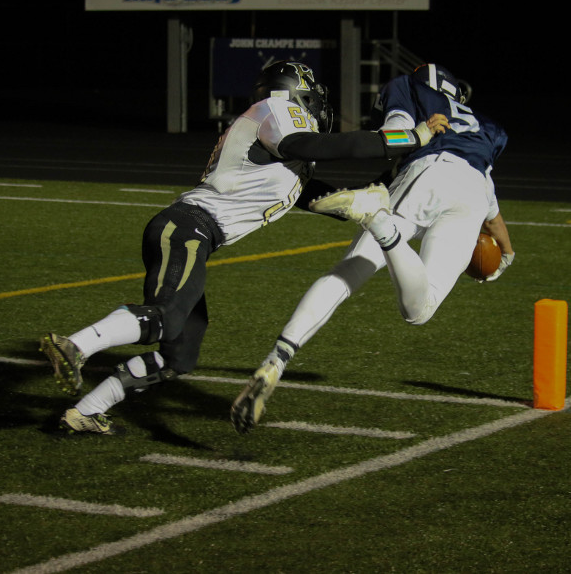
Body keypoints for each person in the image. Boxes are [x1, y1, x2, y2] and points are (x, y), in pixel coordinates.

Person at [39, 60, 448, 435]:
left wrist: (369, 201)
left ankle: (87, 410)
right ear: (298, 91)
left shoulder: (280, 145)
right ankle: (75, 345)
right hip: (187, 228)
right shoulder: (278, 110)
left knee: (179, 354)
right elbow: (312, 146)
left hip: (194, 234)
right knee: (167, 317)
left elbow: (315, 193)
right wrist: (407, 137)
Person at [230, 63, 514, 434]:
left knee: (348, 273)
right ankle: (382, 224)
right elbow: (489, 208)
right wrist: (506, 255)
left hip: (423, 173)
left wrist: (393, 146)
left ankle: (278, 358)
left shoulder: (409, 88)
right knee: (418, 310)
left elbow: (395, 132)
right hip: (471, 189)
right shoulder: (485, 128)